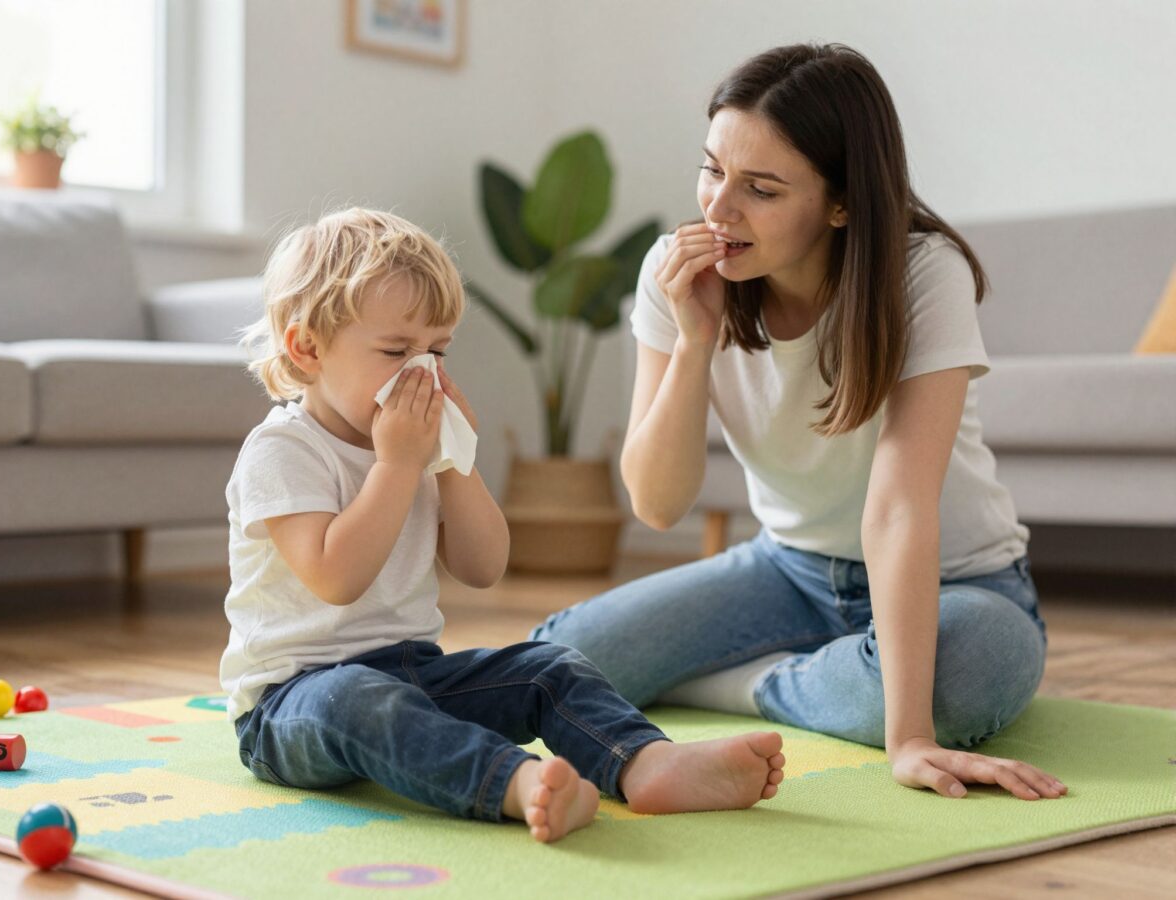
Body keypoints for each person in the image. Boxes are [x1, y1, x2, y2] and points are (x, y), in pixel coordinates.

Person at [531, 44, 1068, 803]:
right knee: (559, 658)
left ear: (841, 202)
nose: (718, 209)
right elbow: (657, 504)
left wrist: (910, 737)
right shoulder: (676, 275)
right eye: (713, 169)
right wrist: (694, 342)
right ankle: (830, 678)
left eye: (762, 189)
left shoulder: (922, 274)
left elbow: (900, 505)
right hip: (788, 570)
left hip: (957, 582)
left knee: (974, 674)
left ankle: (735, 686)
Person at [220, 208, 785, 844]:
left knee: (549, 665)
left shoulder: (414, 447)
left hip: (412, 673)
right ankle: (513, 784)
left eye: (437, 350)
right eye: (395, 351)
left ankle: (645, 764)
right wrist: (400, 463)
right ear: (308, 348)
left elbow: (483, 567)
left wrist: (456, 463)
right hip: (293, 706)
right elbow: (337, 578)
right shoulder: (283, 450)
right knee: (355, 699)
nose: (422, 372)